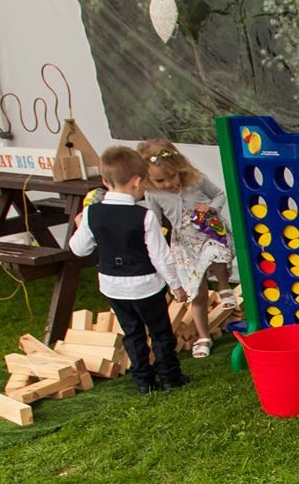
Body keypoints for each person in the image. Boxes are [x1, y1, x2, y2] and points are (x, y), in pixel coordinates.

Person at [70, 146, 189, 394]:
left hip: (112, 285)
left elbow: (79, 249)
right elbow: (161, 256)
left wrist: (80, 225)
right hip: (145, 285)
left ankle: (144, 382)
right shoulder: (144, 216)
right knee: (160, 332)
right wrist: (175, 285)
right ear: (137, 182)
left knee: (132, 333)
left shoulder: (92, 212)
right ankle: (170, 378)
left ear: (105, 181)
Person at [137, 138, 237, 359]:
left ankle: (224, 287)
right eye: (160, 180)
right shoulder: (153, 193)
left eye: (172, 176)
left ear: (180, 166)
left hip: (210, 233)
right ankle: (203, 336)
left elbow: (219, 194)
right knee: (197, 293)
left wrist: (211, 208)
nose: (167, 183)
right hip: (185, 245)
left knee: (216, 254)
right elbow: (153, 219)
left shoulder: (197, 180)